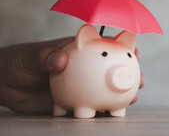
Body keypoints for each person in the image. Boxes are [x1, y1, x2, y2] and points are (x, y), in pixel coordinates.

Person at [0, 37, 144, 113]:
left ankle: (117, 107)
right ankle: (75, 107)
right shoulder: (73, 51)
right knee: (82, 109)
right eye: (104, 55)